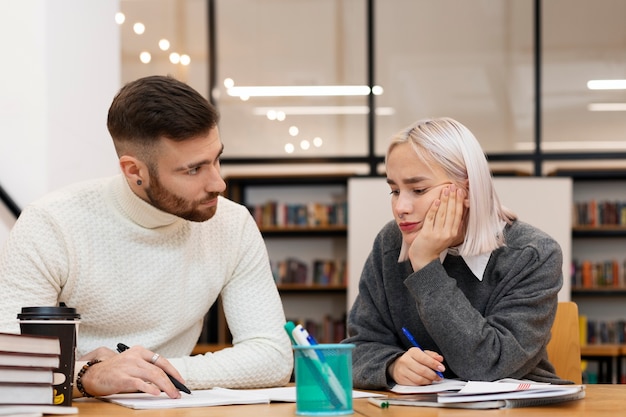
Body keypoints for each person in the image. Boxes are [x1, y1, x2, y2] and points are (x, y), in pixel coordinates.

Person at [0, 75, 293, 398]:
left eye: (216, 159)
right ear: (134, 171)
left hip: (171, 404)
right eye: (194, 169)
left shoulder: (232, 223)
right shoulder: (51, 223)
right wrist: (87, 377)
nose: (218, 183)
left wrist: (147, 373)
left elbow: (273, 357)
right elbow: (11, 366)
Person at [343, 117, 568, 390]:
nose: (400, 206)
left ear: (468, 190)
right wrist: (392, 364)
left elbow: (487, 365)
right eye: (394, 190)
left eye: (418, 190)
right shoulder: (390, 244)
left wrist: (426, 265)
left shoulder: (533, 254)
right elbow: (356, 348)